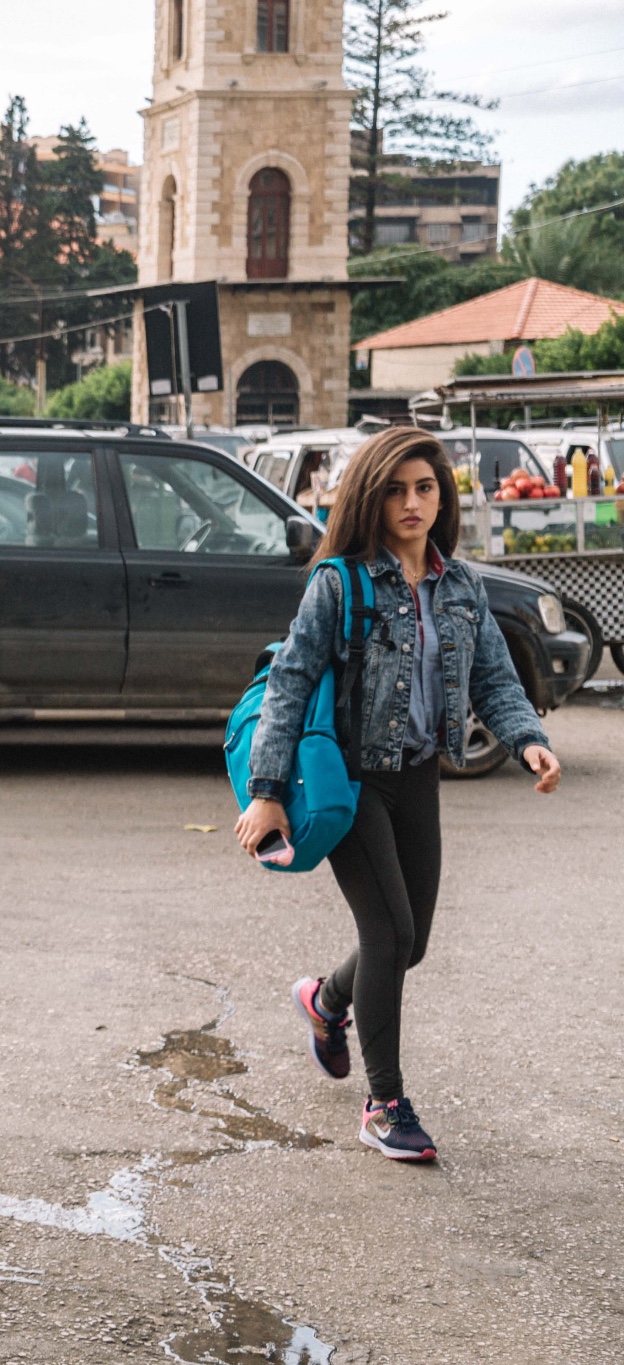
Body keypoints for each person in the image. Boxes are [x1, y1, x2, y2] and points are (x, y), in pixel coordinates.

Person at [235, 427, 560, 1163]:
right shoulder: (341, 582)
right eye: (396, 489)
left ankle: (325, 1001)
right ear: (371, 496)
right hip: (350, 778)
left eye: (426, 488)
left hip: (418, 774)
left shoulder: (463, 585)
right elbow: (289, 682)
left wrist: (526, 737)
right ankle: (384, 1104)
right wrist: (267, 790)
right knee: (388, 934)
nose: (412, 502)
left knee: (410, 943)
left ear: (442, 497)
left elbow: (495, 678)